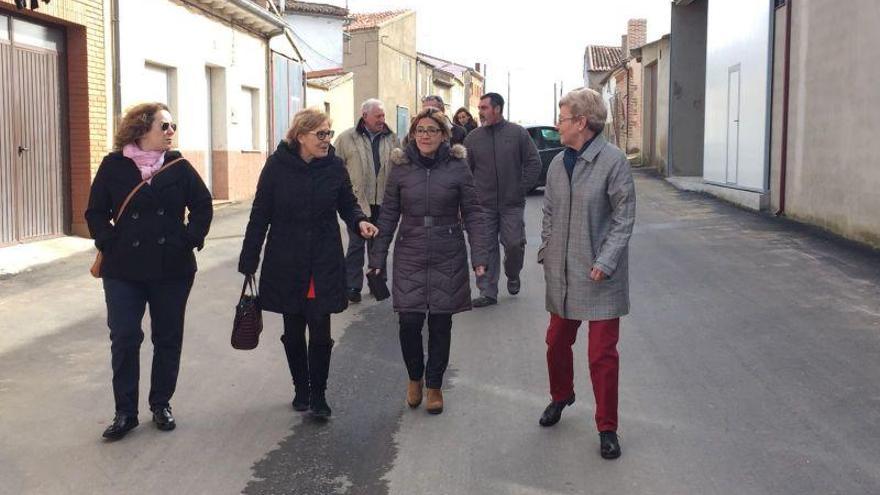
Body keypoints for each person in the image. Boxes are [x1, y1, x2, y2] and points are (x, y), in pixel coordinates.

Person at [238, 108, 378, 419]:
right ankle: (300, 388)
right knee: (292, 328)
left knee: (319, 327)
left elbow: (348, 204)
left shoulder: (334, 167)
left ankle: (319, 395)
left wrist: (360, 223)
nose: (327, 140)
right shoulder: (277, 167)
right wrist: (250, 258)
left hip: (322, 259)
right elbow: (260, 214)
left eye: (329, 133)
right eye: (321, 134)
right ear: (301, 136)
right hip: (286, 259)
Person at [85, 102, 213, 440]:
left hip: (172, 267)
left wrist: (190, 238)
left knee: (167, 337)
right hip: (123, 268)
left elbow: (202, 204)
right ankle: (125, 412)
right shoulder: (114, 165)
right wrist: (108, 240)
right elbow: (95, 211)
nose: (171, 132)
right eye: (165, 126)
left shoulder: (179, 166)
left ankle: (161, 403)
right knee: (125, 337)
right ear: (142, 129)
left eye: (173, 127)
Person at [368, 108, 489, 415]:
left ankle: (434, 385)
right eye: (420, 130)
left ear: (443, 135)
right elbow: (389, 215)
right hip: (410, 249)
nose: (425, 135)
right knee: (408, 321)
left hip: (447, 250)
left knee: (440, 322)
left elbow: (473, 213)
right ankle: (414, 379)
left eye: (432, 130)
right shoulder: (401, 168)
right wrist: (378, 256)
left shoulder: (458, 167)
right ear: (413, 134)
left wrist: (480, 255)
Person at [537, 88, 636, 460]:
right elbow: (547, 212)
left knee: (601, 355)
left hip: (599, 277)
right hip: (562, 273)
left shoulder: (613, 162)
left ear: (581, 123)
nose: (557, 125)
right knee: (556, 342)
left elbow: (624, 217)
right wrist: (547, 249)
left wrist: (606, 261)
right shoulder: (557, 163)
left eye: (562, 118)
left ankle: (607, 426)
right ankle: (561, 396)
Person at [464, 92, 541, 307]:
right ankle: (487, 292)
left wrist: (521, 188)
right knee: (486, 248)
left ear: (497, 109)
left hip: (512, 204)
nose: (480, 112)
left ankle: (513, 273)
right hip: (483, 206)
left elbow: (534, 162)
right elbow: (465, 172)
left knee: (514, 244)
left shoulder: (517, 134)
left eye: (484, 108)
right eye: (479, 108)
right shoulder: (473, 138)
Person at [334, 99, 399, 303]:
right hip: (357, 202)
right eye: (378, 116)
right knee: (356, 244)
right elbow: (334, 167)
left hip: (383, 201)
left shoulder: (392, 138)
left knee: (379, 243)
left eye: (383, 115)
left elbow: (400, 167)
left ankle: (377, 282)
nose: (382, 119)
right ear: (365, 116)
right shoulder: (346, 138)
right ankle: (352, 286)